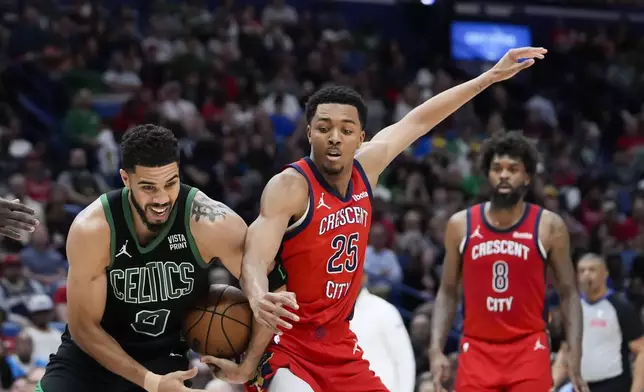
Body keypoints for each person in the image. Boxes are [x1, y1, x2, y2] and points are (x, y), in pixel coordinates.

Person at [200, 47, 548, 392]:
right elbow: (255, 257)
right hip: (287, 341)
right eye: (324, 128)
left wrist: (488, 77)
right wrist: (259, 296)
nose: (335, 137)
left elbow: (421, 119)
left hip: (338, 342)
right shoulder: (290, 187)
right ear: (309, 133)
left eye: (346, 129)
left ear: (361, 137)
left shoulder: (368, 167)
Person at [37, 124, 248, 392]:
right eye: (148, 187)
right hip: (89, 362)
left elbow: (269, 288)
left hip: (165, 360)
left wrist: (248, 364)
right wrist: (151, 383)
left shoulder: (211, 222)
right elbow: (82, 328)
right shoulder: (93, 228)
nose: (161, 198)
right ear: (126, 179)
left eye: (170, 183)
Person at [429, 131, 588, 392]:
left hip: (528, 349)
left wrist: (575, 355)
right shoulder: (460, 224)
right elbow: (447, 292)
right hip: (477, 349)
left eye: (513, 169)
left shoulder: (549, 226)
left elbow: (569, 293)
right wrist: (436, 350)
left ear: (527, 176)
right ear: (487, 174)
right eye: (496, 168)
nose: (504, 175)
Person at [552, 253, 644, 392]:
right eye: (582, 271)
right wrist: (551, 385)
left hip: (614, 385)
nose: (587, 275)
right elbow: (565, 353)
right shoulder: (572, 310)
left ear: (605, 274)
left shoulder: (621, 306)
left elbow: (641, 351)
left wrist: (637, 389)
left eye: (592, 270)